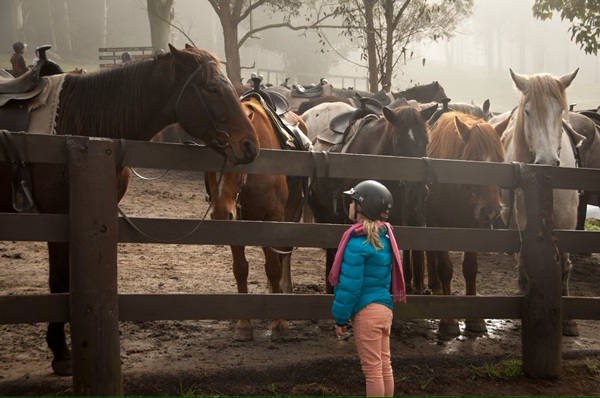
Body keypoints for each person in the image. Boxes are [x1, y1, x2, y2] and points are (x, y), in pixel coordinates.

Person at [329, 180, 406, 397]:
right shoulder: (385, 238)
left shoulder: (356, 243)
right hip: (384, 309)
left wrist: (340, 318)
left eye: (353, 202)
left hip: (366, 313)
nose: (350, 206)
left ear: (362, 208)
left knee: (372, 371)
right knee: (384, 366)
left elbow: (350, 287)